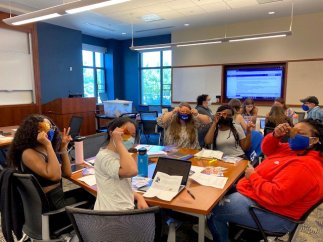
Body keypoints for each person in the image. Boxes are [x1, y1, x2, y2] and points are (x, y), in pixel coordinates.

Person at [207, 119, 323, 242]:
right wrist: (275, 136)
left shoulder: (306, 167)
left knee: (212, 210)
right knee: (219, 194)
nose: (293, 134)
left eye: (299, 132)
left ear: (314, 140)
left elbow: (277, 195)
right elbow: (267, 150)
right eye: (293, 130)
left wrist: (253, 176)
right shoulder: (296, 151)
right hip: (260, 198)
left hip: (275, 214)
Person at [7, 114, 90, 210]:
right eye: (46, 128)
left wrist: (63, 148)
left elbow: (67, 173)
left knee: (88, 192)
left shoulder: (43, 149)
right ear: (35, 131)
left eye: (51, 127)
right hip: (51, 203)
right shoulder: (28, 153)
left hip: (58, 195)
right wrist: (48, 144)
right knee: (94, 197)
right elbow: (55, 176)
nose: (51, 131)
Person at [94, 117, 148, 211]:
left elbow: (121, 188)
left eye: (133, 135)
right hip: (114, 216)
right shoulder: (105, 157)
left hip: (122, 210)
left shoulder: (120, 154)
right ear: (112, 133)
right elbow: (132, 171)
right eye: (126, 134)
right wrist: (119, 142)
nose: (130, 138)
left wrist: (139, 197)